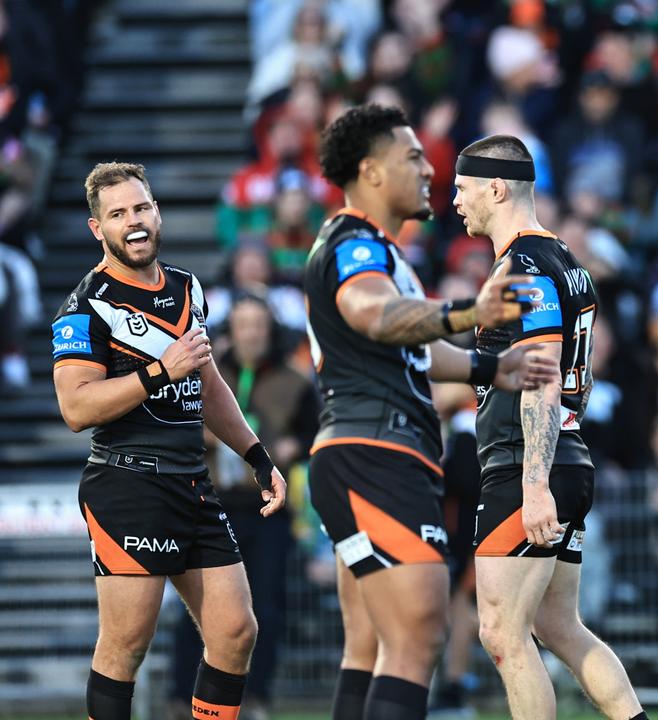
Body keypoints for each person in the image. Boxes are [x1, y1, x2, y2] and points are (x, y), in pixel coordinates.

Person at [303, 105, 557, 720]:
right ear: (372, 171)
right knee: (418, 639)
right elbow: (376, 316)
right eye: (413, 156)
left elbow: (414, 342)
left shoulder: (375, 248)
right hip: (378, 454)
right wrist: (469, 312)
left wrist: (487, 368)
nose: (428, 168)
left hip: (356, 450)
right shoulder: (356, 245)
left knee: (369, 645)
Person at [50, 162, 288, 720]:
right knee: (127, 643)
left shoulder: (188, 287)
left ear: (156, 212)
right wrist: (159, 370)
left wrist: (257, 456)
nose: (133, 222)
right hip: (127, 482)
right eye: (118, 214)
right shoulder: (86, 305)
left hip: (193, 482)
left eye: (140, 208)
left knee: (234, 631)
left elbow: (208, 386)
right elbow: (76, 408)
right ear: (96, 229)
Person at [452, 134, 648, 720]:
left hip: (525, 466)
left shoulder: (524, 266)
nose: (455, 202)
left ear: (495, 187)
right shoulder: (568, 261)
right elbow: (573, 379)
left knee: (502, 634)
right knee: (560, 626)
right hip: (567, 454)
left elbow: (540, 374)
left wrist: (534, 484)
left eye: (462, 189)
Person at [169, 292, 319, 720]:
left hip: (268, 509)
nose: (251, 332)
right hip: (212, 503)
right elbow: (175, 421)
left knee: (266, 605)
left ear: (269, 328)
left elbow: (317, 434)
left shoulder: (294, 380)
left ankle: (255, 698)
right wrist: (207, 437)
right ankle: (183, 697)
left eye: (258, 324)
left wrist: (295, 446)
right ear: (230, 330)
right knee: (197, 607)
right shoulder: (204, 372)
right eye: (243, 324)